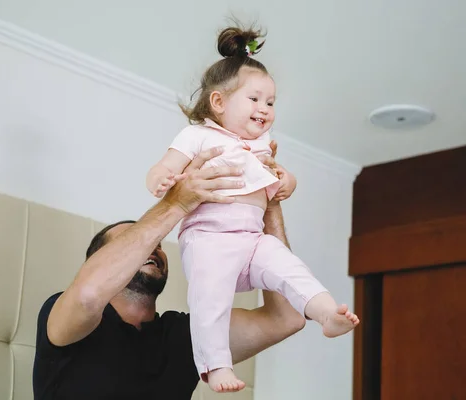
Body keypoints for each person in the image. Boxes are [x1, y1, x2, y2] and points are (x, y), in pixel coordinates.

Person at [146, 25, 359, 393]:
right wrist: (163, 180)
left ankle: (325, 313)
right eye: (256, 99)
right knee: (209, 302)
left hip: (253, 240)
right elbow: (163, 166)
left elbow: (280, 179)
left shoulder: (261, 144)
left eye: (271, 102)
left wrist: (287, 181)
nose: (265, 109)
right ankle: (215, 366)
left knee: (291, 267)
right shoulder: (198, 135)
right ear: (219, 103)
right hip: (210, 239)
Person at [32, 145, 306, 400]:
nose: (152, 248)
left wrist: (268, 200)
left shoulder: (184, 335)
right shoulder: (59, 311)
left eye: (158, 245)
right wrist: (175, 204)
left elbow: (286, 318)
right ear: (95, 261)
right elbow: (87, 295)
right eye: (134, 242)